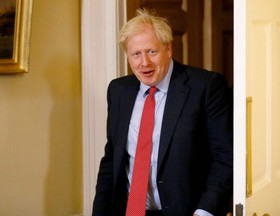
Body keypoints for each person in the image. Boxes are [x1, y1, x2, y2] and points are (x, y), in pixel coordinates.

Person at [92, 8, 233, 216]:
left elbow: (225, 158)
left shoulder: (205, 87)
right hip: (130, 211)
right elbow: (111, 159)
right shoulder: (118, 90)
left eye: (151, 52)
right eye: (136, 54)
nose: (144, 63)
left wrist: (205, 211)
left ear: (168, 49)